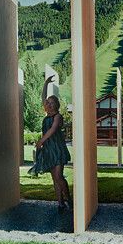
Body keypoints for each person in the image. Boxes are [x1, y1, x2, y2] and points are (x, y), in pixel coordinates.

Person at [28, 78, 72, 210]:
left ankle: (68, 199)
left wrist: (41, 140)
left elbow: (52, 130)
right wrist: (46, 83)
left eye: (53, 103)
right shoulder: (46, 115)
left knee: (59, 176)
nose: (50, 104)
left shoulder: (57, 117)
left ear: (57, 105)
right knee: (54, 178)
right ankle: (60, 203)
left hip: (57, 149)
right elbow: (43, 97)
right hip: (48, 150)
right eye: (49, 103)